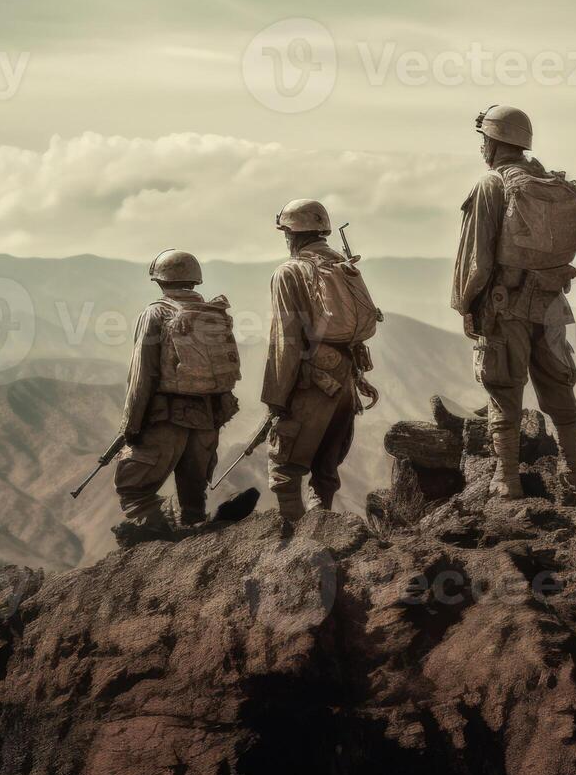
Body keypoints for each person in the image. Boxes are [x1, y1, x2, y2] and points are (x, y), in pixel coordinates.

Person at [451, 104, 576, 501]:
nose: (483, 147)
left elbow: (476, 259)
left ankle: (507, 478)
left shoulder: (492, 184)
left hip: (504, 305)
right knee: (559, 387)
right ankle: (574, 477)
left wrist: (466, 305)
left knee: (502, 387)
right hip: (550, 304)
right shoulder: (552, 183)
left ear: (495, 142)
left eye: (485, 139)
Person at [263, 198, 382, 522]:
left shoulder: (289, 272)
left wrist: (276, 400)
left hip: (312, 381)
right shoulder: (343, 267)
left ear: (292, 234)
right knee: (325, 468)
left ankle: (294, 539)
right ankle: (322, 531)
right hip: (346, 378)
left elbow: (285, 341)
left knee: (285, 468)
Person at [115, 249, 241, 546]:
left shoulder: (156, 312)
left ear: (158, 278)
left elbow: (141, 375)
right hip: (208, 419)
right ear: (195, 279)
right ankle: (195, 551)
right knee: (193, 499)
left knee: (134, 489)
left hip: (165, 418)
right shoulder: (214, 313)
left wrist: (130, 426)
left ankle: (160, 549)